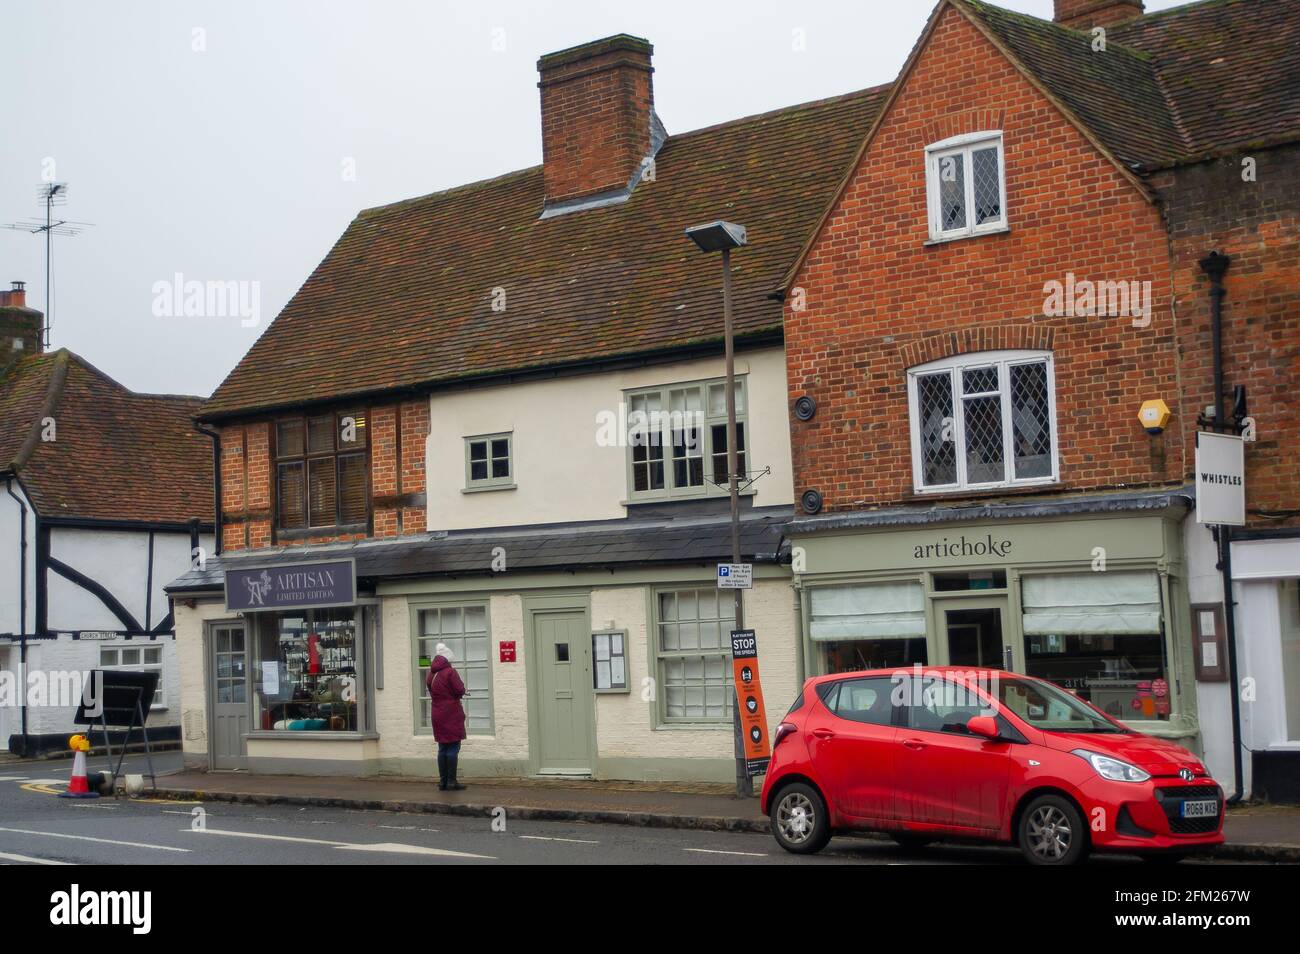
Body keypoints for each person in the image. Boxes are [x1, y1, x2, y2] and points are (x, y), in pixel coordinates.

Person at [426, 642, 467, 791]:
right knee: (453, 747)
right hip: (451, 712)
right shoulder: (450, 672)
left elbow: (431, 689)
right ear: (448, 659)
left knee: (442, 747)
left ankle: (443, 782)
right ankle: (451, 782)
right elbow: (459, 689)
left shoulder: (431, 673)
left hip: (436, 712)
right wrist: (463, 691)